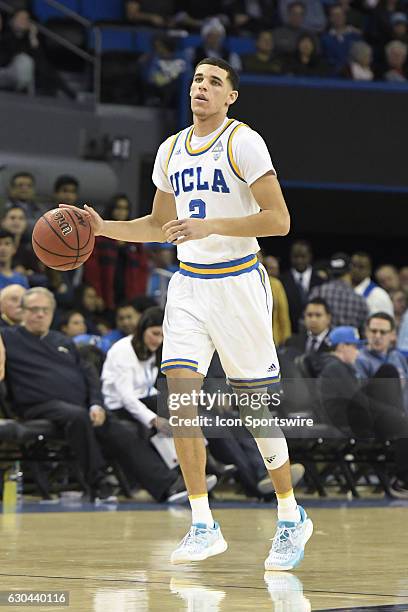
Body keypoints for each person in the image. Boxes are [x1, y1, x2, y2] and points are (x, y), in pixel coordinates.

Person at [61, 57, 313, 571]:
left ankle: (291, 514)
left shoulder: (244, 140)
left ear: (230, 97)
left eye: (214, 82)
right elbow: (159, 225)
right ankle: (202, 522)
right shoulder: (170, 149)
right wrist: (103, 227)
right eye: (197, 79)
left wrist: (207, 226)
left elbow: (279, 220)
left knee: (253, 409)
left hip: (239, 284)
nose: (202, 86)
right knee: (181, 400)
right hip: (189, 288)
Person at [0, 287, 189, 503]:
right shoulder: (7, 338)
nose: (40, 314)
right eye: (34, 309)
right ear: (22, 312)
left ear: (52, 313)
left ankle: (167, 487)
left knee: (119, 429)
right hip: (38, 406)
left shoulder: (63, 341)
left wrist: (97, 405)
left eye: (45, 309)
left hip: (81, 407)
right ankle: (100, 483)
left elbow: (89, 376)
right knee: (78, 417)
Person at [318, 325, 408, 497]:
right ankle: (402, 480)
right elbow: (358, 400)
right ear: (342, 346)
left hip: (355, 416)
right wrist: (391, 413)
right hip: (348, 421)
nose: (358, 352)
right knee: (402, 423)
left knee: (388, 372)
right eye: (355, 346)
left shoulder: (340, 367)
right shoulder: (335, 367)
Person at [83, 195, 148, 312]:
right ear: (111, 209)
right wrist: (97, 293)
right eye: (118, 208)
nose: (121, 212)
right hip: (105, 290)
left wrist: (138, 296)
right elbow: (92, 268)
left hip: (129, 292)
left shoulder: (135, 237)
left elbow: (142, 269)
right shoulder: (99, 236)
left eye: (125, 208)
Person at [355, 312, 408, 414]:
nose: (377, 336)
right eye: (373, 331)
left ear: (392, 335)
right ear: (366, 332)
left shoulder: (397, 357)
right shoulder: (360, 360)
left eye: (383, 332)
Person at [309, 252, 368, 331]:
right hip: (348, 343)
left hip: (322, 342)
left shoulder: (316, 292)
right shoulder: (359, 300)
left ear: (330, 271)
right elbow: (364, 332)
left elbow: (305, 322)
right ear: (349, 271)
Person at [280, 239, 323, 332]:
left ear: (310, 256)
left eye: (303, 256)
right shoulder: (281, 281)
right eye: (296, 256)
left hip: (315, 334)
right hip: (290, 334)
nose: (299, 260)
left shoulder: (321, 281)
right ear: (290, 257)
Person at [350, 252, 394, 316]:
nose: (356, 270)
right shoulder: (342, 290)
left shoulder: (379, 295)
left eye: (361, 267)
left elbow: (387, 322)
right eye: (353, 265)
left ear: (369, 270)